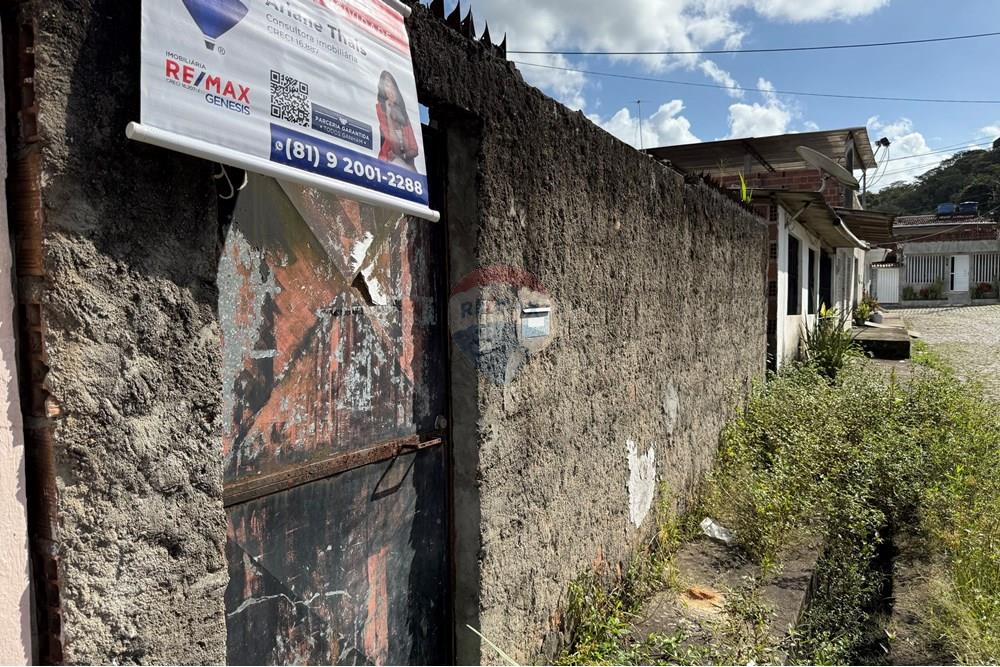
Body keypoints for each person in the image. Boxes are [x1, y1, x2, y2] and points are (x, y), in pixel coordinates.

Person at [375, 70, 418, 171]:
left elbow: (415, 149)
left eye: (392, 86)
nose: (390, 90)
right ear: (383, 91)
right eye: (387, 86)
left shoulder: (403, 113)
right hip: (387, 164)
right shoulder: (381, 109)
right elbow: (395, 147)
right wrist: (389, 116)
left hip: (407, 165)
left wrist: (402, 156)